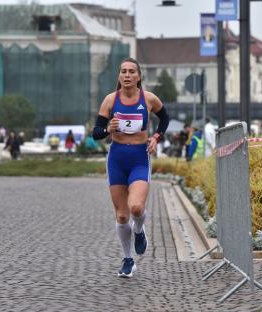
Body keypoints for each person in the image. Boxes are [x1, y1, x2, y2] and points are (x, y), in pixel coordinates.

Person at [92, 57, 169, 278]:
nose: (127, 75)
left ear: (138, 76)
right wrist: (108, 128)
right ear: (119, 76)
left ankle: (139, 231)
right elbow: (96, 132)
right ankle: (128, 260)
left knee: (136, 207)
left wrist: (156, 136)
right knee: (122, 215)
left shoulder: (149, 98)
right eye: (123, 71)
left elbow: (165, 117)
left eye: (131, 72)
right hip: (116, 159)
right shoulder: (110, 100)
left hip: (139, 158)